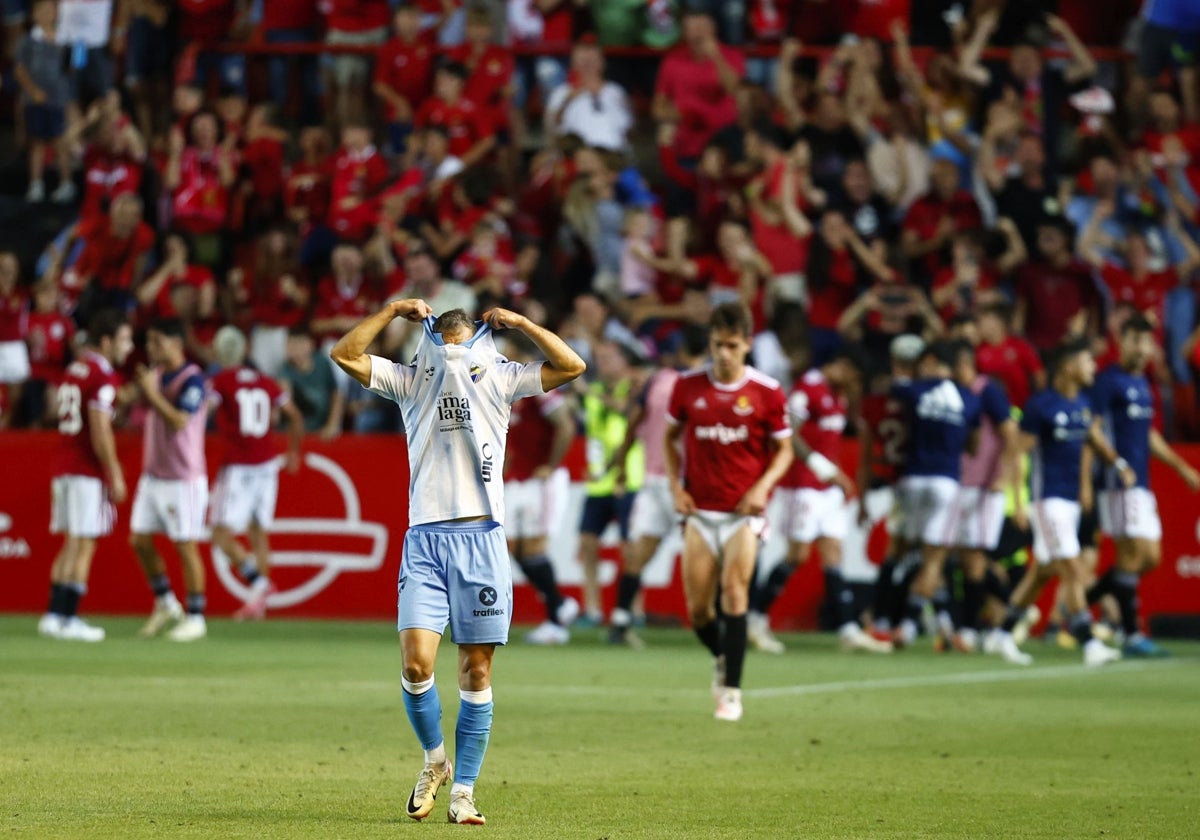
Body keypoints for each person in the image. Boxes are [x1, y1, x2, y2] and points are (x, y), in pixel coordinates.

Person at [329, 302, 585, 825]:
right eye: (444, 345)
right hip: (425, 537)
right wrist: (392, 310)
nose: (452, 357)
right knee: (416, 665)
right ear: (431, 342)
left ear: (477, 342)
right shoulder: (408, 380)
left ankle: (463, 791)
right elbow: (344, 353)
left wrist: (525, 324)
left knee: (476, 670)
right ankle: (434, 762)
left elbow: (572, 366)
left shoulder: (501, 376)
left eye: (460, 347)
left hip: (482, 539)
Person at [664, 302, 794, 722]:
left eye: (732, 346)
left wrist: (763, 486)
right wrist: (675, 485)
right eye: (718, 344)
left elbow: (785, 451)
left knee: (734, 593)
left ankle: (732, 692)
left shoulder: (767, 391)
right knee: (699, 610)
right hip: (700, 511)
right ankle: (724, 655)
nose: (723, 353)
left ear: (747, 345)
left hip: (743, 512)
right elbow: (669, 438)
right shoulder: (686, 387)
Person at [988, 339, 1130, 667]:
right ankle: (1089, 642)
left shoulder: (1082, 404)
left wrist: (1119, 465)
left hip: (1069, 501)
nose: (1093, 367)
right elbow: (1016, 453)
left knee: (1042, 573)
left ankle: (1003, 633)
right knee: (1072, 567)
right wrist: (1019, 502)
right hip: (1047, 500)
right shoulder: (1041, 406)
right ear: (1068, 366)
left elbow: (1093, 440)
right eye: (1087, 361)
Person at [748, 347, 893, 655]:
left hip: (826, 490)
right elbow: (789, 433)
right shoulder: (808, 389)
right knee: (797, 555)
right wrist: (825, 469)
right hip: (801, 486)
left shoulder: (838, 394)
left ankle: (848, 629)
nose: (854, 381)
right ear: (840, 364)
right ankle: (754, 619)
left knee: (834, 553)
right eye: (852, 374)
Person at [1087, 315, 1200, 656]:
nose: (1140, 347)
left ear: (1153, 346)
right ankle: (1131, 633)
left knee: (1150, 558)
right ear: (1122, 342)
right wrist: (1115, 463)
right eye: (1134, 340)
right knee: (1132, 555)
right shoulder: (1108, 382)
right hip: (1118, 481)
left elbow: (1148, 435)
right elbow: (1091, 429)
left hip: (1142, 481)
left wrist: (1182, 468)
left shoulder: (1145, 386)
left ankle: (1082, 602)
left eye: (1146, 341)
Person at [607, 325, 708, 647]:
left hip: (653, 479)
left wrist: (621, 465)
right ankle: (715, 621)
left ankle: (620, 622)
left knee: (640, 552)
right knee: (708, 550)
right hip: (687, 482)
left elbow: (633, 421)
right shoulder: (703, 386)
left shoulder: (657, 381)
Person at [40, 310, 133, 641]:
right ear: (106, 341)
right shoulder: (101, 375)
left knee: (71, 542)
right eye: (124, 338)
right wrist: (115, 472)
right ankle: (69, 618)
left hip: (63, 464)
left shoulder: (75, 368)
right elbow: (99, 429)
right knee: (85, 542)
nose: (129, 345)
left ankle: (53, 615)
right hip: (84, 470)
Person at [208, 326, 304, 621]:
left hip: (239, 466)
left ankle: (259, 584)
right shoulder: (267, 383)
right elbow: (295, 417)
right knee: (259, 534)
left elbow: (204, 410)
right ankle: (259, 603)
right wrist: (293, 452)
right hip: (266, 466)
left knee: (219, 534)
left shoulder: (221, 381)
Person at [890, 341, 981, 648]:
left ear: (929, 360)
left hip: (912, 479)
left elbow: (892, 397)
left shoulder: (914, 390)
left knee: (919, 552)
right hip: (945, 481)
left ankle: (944, 624)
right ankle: (909, 623)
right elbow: (974, 445)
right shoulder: (969, 399)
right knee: (935, 558)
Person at [130, 318, 211, 642]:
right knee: (139, 540)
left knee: (185, 545)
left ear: (177, 343)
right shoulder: (157, 376)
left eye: (157, 341)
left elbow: (179, 419)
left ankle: (196, 617)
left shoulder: (193, 380)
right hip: (154, 474)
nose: (151, 348)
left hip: (183, 477)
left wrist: (151, 393)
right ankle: (166, 602)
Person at [501, 334, 580, 646]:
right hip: (520, 479)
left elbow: (566, 425)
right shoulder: (514, 392)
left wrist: (550, 463)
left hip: (540, 480)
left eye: (508, 353)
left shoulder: (540, 388)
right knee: (513, 548)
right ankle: (560, 604)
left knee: (533, 548)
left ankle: (555, 620)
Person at [949, 340, 1024, 652]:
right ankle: (990, 619)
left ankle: (973, 626)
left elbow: (1011, 437)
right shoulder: (956, 394)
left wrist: (1006, 481)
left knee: (976, 558)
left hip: (985, 488)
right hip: (963, 484)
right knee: (966, 558)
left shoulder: (988, 391)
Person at [576, 341, 643, 626]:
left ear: (624, 361)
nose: (601, 363)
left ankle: (634, 610)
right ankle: (592, 609)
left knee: (631, 548)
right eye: (599, 358)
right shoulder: (596, 393)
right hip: (598, 482)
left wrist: (588, 391)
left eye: (607, 358)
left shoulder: (634, 389)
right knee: (587, 544)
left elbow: (627, 413)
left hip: (629, 478)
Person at [15, 0, 74, 203]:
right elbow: (19, 70)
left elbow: (74, 67)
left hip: (58, 100)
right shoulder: (27, 40)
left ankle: (66, 184)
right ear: (34, 15)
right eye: (43, 10)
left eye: (51, 10)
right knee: (37, 142)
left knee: (60, 141)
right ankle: (36, 185)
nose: (48, 13)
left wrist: (78, 49)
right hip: (35, 101)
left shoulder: (65, 39)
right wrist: (33, 91)